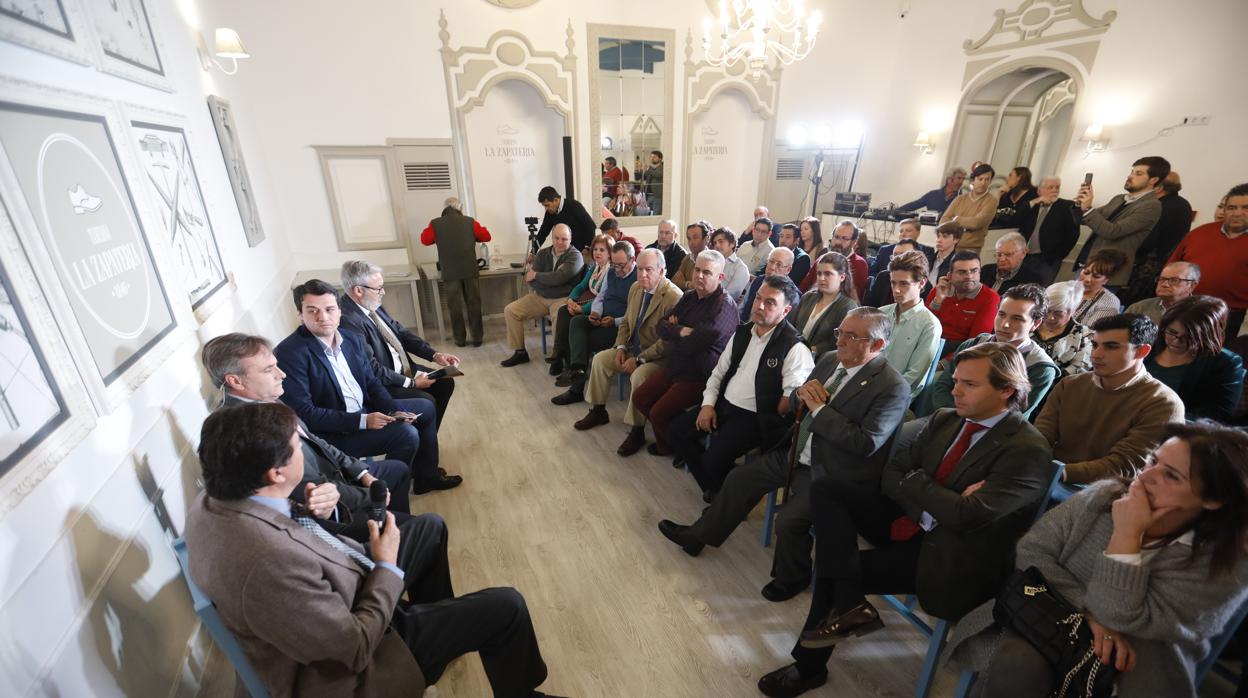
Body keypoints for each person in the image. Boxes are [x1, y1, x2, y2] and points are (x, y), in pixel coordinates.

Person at [186, 403, 555, 698]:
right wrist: (387, 568)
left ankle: (441, 626)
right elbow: (354, 649)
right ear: (276, 474)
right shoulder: (268, 562)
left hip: (340, 593)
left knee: (427, 528)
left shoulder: (215, 498)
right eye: (298, 448)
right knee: (507, 607)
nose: (304, 453)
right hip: (358, 667)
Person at [757, 343, 1053, 697]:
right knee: (830, 489)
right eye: (956, 380)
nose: (955, 389)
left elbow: (964, 517)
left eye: (969, 384)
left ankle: (809, 666)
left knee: (837, 567)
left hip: (950, 554)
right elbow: (892, 472)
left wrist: (919, 483)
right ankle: (851, 603)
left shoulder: (1027, 450)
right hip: (914, 521)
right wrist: (937, 496)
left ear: (1007, 390)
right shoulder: (946, 418)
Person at [947, 421, 1248, 698]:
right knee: (1018, 664)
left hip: (1135, 660)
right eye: (1154, 461)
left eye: (1171, 475)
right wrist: (1086, 615)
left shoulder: (1226, 567)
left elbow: (1120, 618)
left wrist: (1127, 535)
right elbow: (1032, 552)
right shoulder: (1105, 496)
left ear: (1212, 500)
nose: (1146, 476)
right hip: (1041, 619)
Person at [657, 308, 910, 600]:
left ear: (877, 345)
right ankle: (698, 537)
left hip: (834, 474)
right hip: (797, 452)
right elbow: (795, 403)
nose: (839, 341)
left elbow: (866, 443)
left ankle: (794, 576)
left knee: (788, 521)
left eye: (851, 336)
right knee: (740, 479)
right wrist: (799, 396)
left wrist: (820, 409)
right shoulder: (829, 361)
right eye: (839, 332)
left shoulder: (892, 388)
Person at [274, 280, 460, 495]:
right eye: (312, 310)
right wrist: (363, 421)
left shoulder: (351, 339)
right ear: (300, 313)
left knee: (425, 409)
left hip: (362, 409)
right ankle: (383, 491)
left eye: (329, 309)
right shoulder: (290, 353)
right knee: (406, 435)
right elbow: (306, 415)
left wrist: (392, 410)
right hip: (334, 431)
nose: (323, 317)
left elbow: (371, 382)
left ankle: (423, 476)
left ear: (339, 310)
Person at [202, 333, 413, 515]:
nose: (282, 374)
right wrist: (369, 497)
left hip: (335, 477)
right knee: (429, 526)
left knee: (398, 470)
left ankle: (389, 524)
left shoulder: (268, 398)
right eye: (269, 370)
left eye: (277, 366)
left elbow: (315, 441)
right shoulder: (244, 428)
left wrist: (362, 473)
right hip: (324, 507)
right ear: (235, 381)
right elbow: (305, 486)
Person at [668, 276, 814, 499]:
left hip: (756, 417)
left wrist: (768, 415)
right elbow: (718, 373)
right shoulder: (743, 332)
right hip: (724, 404)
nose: (759, 305)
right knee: (677, 431)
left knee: (712, 459)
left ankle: (723, 491)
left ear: (786, 311)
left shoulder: (794, 347)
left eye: (770, 302)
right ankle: (722, 489)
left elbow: (788, 403)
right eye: (757, 298)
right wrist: (708, 405)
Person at [1034, 314, 1184, 485]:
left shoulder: (1163, 403)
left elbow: (1125, 465)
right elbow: (1040, 437)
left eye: (1111, 347)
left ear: (1142, 351)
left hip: (1104, 493)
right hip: (1049, 476)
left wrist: (1057, 472)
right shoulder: (1070, 385)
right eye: (1095, 345)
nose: (1096, 354)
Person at [572, 249, 684, 454]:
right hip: (633, 348)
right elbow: (626, 323)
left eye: (649, 270)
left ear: (662, 270)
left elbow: (666, 343)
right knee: (600, 360)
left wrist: (640, 359)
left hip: (658, 358)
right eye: (640, 269)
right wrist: (621, 347)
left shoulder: (674, 297)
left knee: (639, 375)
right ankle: (598, 411)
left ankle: (637, 430)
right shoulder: (636, 288)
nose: (642, 275)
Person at [632, 249, 740, 457]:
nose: (699, 275)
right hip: (676, 365)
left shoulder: (724, 307)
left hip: (700, 375)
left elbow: (695, 344)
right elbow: (660, 328)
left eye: (707, 272)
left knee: (658, 413)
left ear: (720, 277)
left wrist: (675, 331)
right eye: (697, 270)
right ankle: (678, 437)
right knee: (641, 398)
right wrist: (682, 331)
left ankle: (673, 447)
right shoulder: (690, 297)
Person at [339, 261, 458, 430]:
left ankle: (426, 436)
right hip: (385, 383)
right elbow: (373, 369)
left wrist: (435, 355)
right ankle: (420, 441)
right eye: (379, 288)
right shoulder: (348, 321)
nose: (383, 292)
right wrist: (412, 384)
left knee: (445, 382)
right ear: (358, 290)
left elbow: (400, 332)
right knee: (427, 400)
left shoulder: (371, 304)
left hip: (404, 369)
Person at [928, 284, 1059, 419]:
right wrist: (954, 419)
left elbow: (1014, 415)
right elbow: (942, 388)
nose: (1005, 324)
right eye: (1001, 314)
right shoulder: (972, 345)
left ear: (1036, 323)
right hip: (947, 419)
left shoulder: (1040, 368)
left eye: (1017, 318)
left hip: (990, 435)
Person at [551, 242, 637, 405]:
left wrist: (615, 321)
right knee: (576, 322)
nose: (617, 269)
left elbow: (635, 312)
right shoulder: (611, 272)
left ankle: (575, 389)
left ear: (633, 259)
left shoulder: (638, 279)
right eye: (614, 264)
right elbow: (600, 297)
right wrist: (596, 312)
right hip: (602, 317)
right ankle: (576, 368)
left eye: (621, 265)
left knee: (582, 341)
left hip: (619, 327)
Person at [1145, 295, 1246, 422]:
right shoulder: (1149, 344)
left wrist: (1163, 419)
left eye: (1189, 337)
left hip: (1176, 429)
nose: (1176, 341)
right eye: (1172, 332)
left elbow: (1216, 414)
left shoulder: (1225, 363)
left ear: (1208, 336)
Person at [1072, 156, 1170, 288]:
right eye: (1131, 171)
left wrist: (1088, 209)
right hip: (1087, 265)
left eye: (1138, 173)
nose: (1130, 176)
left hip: (1106, 273)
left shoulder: (1151, 206)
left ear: (1153, 180)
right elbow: (1085, 220)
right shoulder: (1119, 199)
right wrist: (1080, 206)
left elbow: (1112, 232)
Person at [1169, 183, 1248, 338]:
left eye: (1246, 208)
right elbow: (1172, 266)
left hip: (1232, 319)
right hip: (1186, 309)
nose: (1237, 213)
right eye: (1231, 208)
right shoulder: (1199, 233)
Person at [501, 224, 585, 367]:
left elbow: (559, 278)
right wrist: (549, 278)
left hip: (562, 298)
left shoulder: (575, 256)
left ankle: (558, 357)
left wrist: (538, 276)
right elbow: (531, 280)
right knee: (511, 310)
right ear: (551, 238)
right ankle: (520, 352)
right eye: (556, 238)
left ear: (570, 240)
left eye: (564, 239)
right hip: (540, 297)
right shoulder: (542, 253)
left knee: (559, 317)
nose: (559, 242)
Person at [419, 197, 491, 346]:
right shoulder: (470, 222)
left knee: (455, 306)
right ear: (460, 208)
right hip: (470, 270)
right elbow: (486, 236)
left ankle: (459, 339)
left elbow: (425, 240)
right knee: (474, 304)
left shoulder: (435, 223)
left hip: (450, 272)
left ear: (445, 208)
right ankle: (477, 338)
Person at [1121, 171, 1193, 306]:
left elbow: (1145, 240)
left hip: (1143, 268)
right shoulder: (1183, 204)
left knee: (1129, 307)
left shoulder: (1157, 206)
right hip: (1163, 267)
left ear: (1158, 187)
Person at [548, 234, 613, 377]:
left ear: (610, 253)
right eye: (595, 249)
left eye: (602, 250)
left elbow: (602, 298)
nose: (597, 253)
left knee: (571, 318)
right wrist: (571, 299)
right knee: (564, 310)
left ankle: (567, 361)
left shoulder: (611, 272)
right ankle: (560, 355)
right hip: (588, 303)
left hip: (599, 309)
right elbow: (581, 286)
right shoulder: (595, 267)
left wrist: (581, 309)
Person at [879, 250, 943, 398]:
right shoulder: (881, 313)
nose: (896, 289)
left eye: (904, 284)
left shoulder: (930, 324)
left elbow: (914, 375)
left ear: (921, 283)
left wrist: (880, 393)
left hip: (896, 395)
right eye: (893, 283)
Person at [926, 250, 1000, 354]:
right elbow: (924, 326)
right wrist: (938, 300)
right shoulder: (939, 290)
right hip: (929, 343)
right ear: (950, 275)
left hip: (960, 351)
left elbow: (976, 343)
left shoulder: (990, 298)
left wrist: (943, 364)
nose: (969, 276)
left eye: (974, 271)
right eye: (962, 272)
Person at [792, 252, 858, 359]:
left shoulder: (848, 307)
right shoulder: (808, 297)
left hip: (820, 361)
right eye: (819, 273)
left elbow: (838, 343)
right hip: (794, 353)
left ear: (842, 277)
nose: (821, 278)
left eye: (828, 274)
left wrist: (812, 350)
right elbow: (792, 326)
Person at [1018, 176, 1080, 285]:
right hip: (1024, 256)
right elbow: (1016, 216)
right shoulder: (1033, 204)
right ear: (1039, 190)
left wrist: (1059, 255)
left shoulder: (1067, 206)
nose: (1054, 190)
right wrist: (1036, 201)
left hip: (1048, 259)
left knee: (1040, 290)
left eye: (1057, 187)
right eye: (1050, 187)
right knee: (1018, 287)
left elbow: (1073, 234)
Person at [1034, 280, 1094, 378]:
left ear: (1072, 311)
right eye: (1047, 310)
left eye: (1058, 313)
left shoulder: (1084, 336)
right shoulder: (1030, 321)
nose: (1050, 317)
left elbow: (1075, 374)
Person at [940, 163, 999, 252]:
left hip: (970, 250)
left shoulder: (991, 201)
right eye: (980, 179)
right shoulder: (960, 199)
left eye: (987, 179)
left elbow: (976, 223)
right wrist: (965, 223)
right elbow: (943, 220)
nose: (983, 183)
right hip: (949, 247)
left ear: (990, 181)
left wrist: (955, 219)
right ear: (972, 181)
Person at [1124, 261, 1201, 325]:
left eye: (1174, 280)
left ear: (1192, 286)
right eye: (1162, 279)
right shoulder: (1138, 308)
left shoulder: (1201, 313)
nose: (1164, 284)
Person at [863, 239, 927, 308]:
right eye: (895, 255)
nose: (897, 259)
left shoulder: (923, 283)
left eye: (903, 255)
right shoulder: (883, 276)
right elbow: (870, 307)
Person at [739, 247, 797, 323]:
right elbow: (741, 308)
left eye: (779, 264)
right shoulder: (758, 280)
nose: (772, 267)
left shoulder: (792, 295)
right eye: (771, 261)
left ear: (788, 270)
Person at [1072, 248, 1127, 326]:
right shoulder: (1065, 287)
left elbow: (1090, 334)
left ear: (1106, 280)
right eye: (1086, 272)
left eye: (1096, 276)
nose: (1087, 279)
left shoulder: (1109, 302)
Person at [534, 186, 597, 251]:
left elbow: (591, 226)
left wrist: (588, 248)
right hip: (564, 250)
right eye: (544, 206)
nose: (546, 209)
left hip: (581, 250)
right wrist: (533, 252)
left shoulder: (574, 206)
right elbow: (543, 233)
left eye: (547, 205)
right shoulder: (549, 212)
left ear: (556, 200)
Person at [980, 232, 1044, 294]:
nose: (1002, 259)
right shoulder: (986, 270)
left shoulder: (1032, 280)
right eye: (999, 254)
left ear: (1023, 253)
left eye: (1008, 254)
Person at [869, 217, 935, 277]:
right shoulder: (885, 250)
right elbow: (872, 273)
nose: (903, 234)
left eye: (908, 231)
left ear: (917, 233)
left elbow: (924, 274)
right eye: (901, 231)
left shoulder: (927, 251)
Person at [827, 221, 870, 300]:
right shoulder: (823, 259)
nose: (838, 242)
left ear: (853, 242)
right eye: (836, 237)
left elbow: (849, 298)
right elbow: (804, 287)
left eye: (845, 239)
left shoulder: (859, 264)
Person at [899, 166, 966, 216]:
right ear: (949, 179)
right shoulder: (932, 195)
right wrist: (893, 212)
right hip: (929, 231)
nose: (961, 182)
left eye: (963, 179)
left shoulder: (962, 198)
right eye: (959, 178)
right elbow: (914, 205)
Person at [711, 226, 751, 302]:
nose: (717, 245)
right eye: (715, 243)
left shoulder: (740, 267)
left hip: (723, 306)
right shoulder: (713, 263)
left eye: (721, 241)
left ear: (732, 243)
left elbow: (729, 296)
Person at [671, 220, 711, 290]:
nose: (691, 242)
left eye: (695, 238)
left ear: (706, 239)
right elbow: (674, 282)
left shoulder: (712, 259)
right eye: (689, 239)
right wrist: (688, 284)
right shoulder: (687, 258)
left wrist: (683, 282)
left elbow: (703, 287)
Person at [927, 220, 962, 288]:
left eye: (945, 236)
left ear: (956, 240)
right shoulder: (928, 259)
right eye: (938, 236)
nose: (939, 240)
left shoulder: (958, 263)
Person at [640, 150, 664, 214]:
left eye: (655, 157)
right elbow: (643, 177)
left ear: (660, 159)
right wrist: (641, 170)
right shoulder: (651, 168)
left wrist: (648, 169)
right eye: (651, 156)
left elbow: (658, 175)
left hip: (657, 195)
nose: (652, 158)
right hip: (648, 195)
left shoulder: (662, 167)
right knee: (647, 213)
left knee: (656, 213)